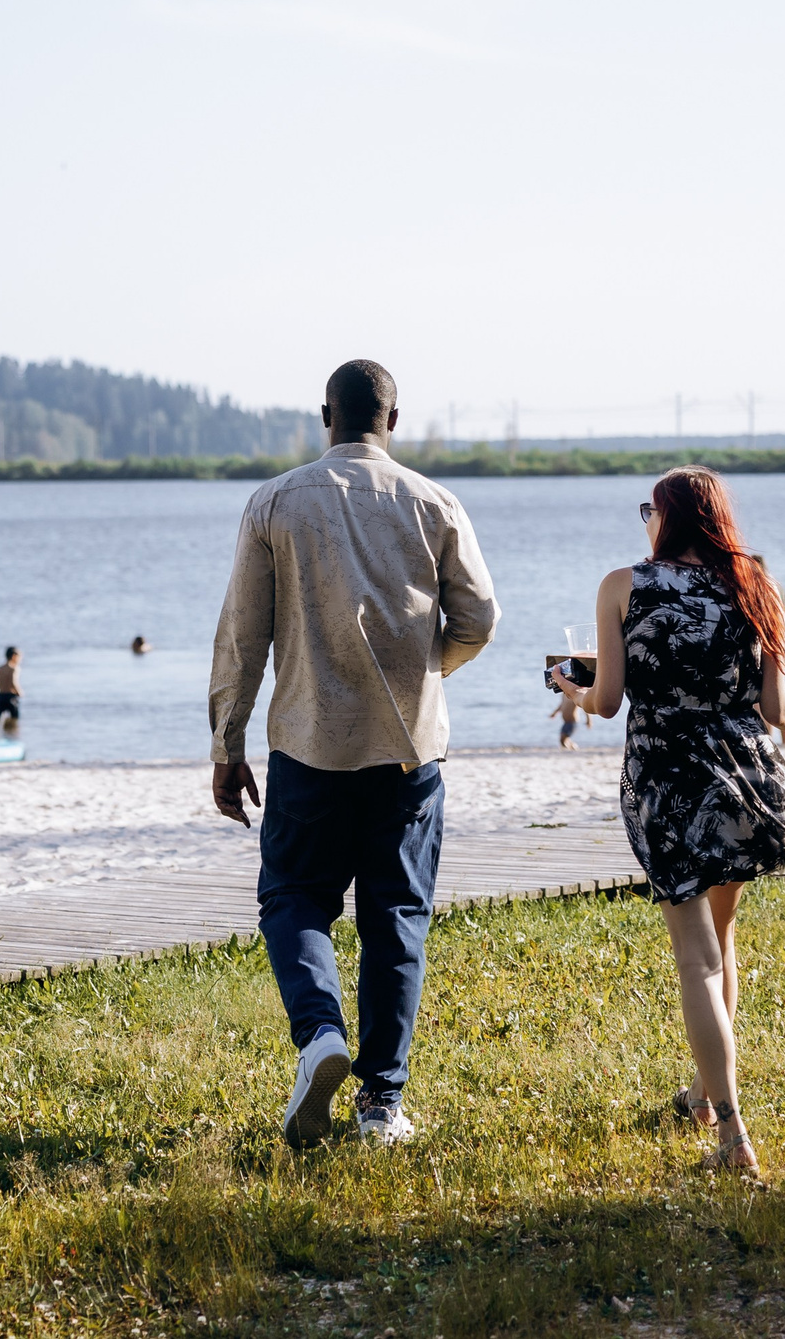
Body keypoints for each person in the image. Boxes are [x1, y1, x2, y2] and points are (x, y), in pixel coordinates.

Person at [210, 358, 498, 1148]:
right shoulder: (435, 503)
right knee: (395, 917)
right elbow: (478, 618)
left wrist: (227, 743)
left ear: (325, 416)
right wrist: (424, 670)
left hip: (308, 747)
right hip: (409, 751)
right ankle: (380, 1107)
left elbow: (245, 634)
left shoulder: (274, 502)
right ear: (394, 422)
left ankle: (320, 1037)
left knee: (295, 898)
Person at [556, 466, 785, 1177]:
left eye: (648, 510)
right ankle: (702, 1095)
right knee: (721, 942)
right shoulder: (756, 582)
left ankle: (732, 1132)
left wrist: (570, 684)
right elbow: (776, 709)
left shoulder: (622, 586)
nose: (646, 522)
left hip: (667, 779)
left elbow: (606, 704)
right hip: (746, 775)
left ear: (668, 517)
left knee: (696, 957)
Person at [0, 648, 22, 728]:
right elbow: (13, 682)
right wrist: (19, 692)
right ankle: (12, 736)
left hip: (1, 696)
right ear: (14, 656)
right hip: (11, 697)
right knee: (14, 720)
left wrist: (1, 686)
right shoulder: (14, 668)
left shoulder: (0, 668)